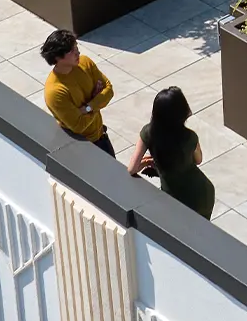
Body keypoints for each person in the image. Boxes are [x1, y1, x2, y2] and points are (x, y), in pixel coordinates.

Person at [127, 87, 215, 218]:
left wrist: (147, 163)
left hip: (175, 200)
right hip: (202, 196)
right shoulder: (190, 137)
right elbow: (198, 160)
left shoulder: (148, 133)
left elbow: (132, 169)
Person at [41, 30, 115, 155]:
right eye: (71, 50)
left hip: (101, 136)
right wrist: (96, 100)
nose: (78, 52)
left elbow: (109, 90)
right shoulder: (55, 91)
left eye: (76, 47)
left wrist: (87, 107)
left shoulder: (85, 62)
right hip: (81, 148)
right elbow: (79, 125)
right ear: (58, 57)